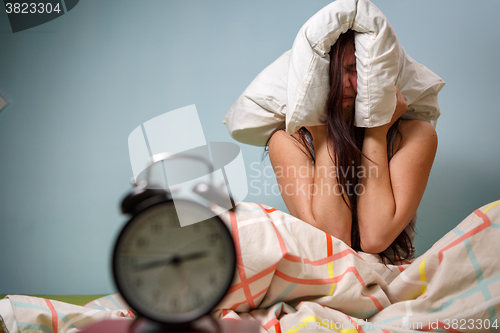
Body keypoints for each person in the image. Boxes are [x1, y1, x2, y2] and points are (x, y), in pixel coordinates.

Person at [267, 30, 437, 262]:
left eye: (354, 70)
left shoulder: (416, 135)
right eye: (330, 73)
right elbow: (333, 240)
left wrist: (376, 132)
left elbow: (374, 237)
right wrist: (322, 134)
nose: (343, 83)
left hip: (393, 275)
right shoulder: (288, 141)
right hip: (323, 272)